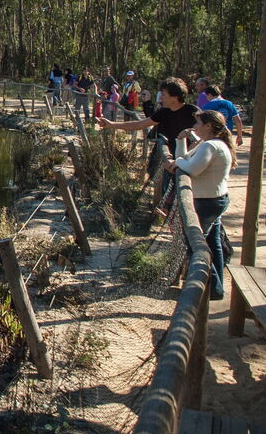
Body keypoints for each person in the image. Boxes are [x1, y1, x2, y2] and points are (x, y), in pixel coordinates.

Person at [164, 110, 236, 300]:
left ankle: (210, 288)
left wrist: (176, 162)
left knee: (195, 245)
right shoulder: (207, 144)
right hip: (214, 198)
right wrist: (181, 141)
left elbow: (192, 169)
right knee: (213, 243)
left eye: (197, 123)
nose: (194, 126)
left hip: (207, 201)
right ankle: (215, 288)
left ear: (208, 126)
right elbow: (187, 160)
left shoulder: (210, 146)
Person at [97, 76, 198, 157]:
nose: (160, 98)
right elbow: (139, 124)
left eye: (163, 95)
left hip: (191, 161)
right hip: (173, 160)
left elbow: (203, 138)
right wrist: (111, 124)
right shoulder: (164, 112)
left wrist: (185, 157)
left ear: (175, 98)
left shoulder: (193, 112)